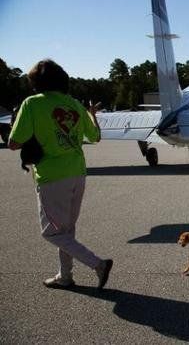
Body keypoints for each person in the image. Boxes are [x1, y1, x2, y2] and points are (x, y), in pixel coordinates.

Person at [8, 59, 113, 289]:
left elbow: (14, 143)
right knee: (66, 231)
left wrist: (18, 122)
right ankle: (65, 276)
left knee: (51, 233)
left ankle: (98, 264)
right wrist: (92, 114)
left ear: (37, 83)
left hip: (51, 176)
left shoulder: (32, 104)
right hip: (78, 172)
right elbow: (95, 137)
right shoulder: (74, 104)